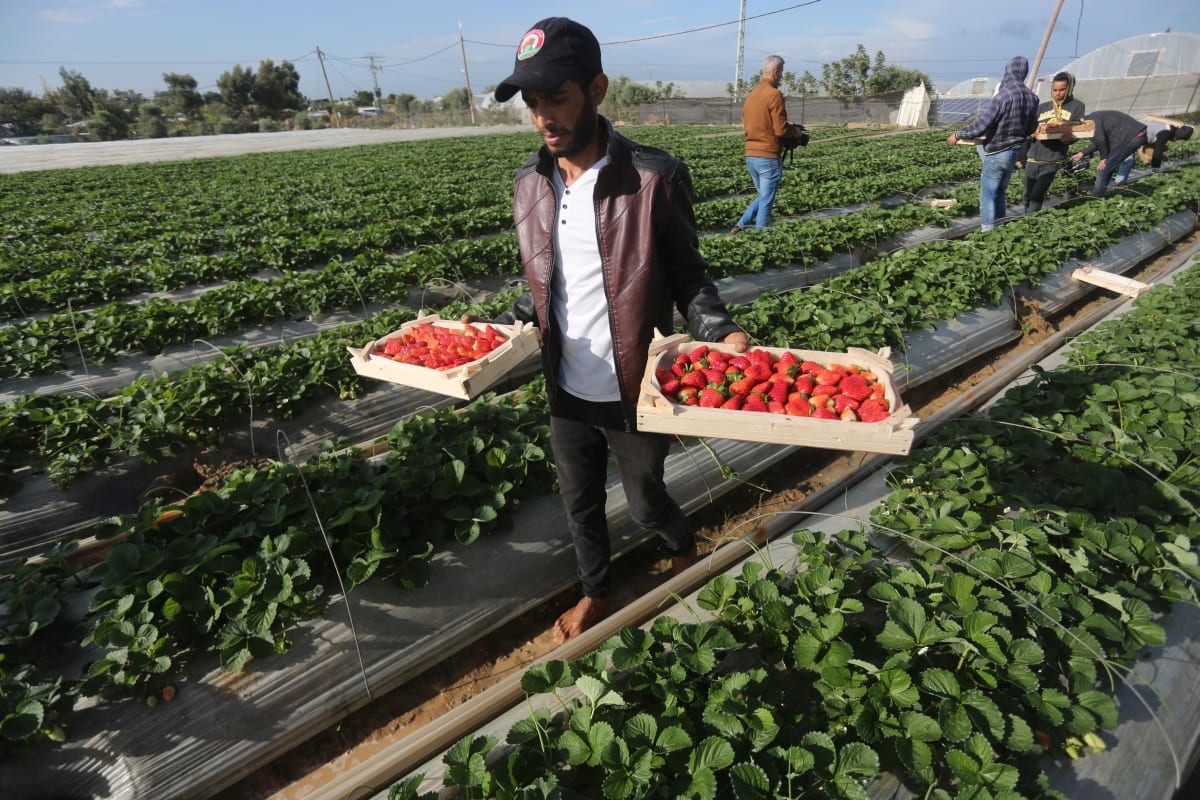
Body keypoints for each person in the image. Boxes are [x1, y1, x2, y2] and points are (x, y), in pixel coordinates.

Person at [480, 17, 750, 644]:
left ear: (597, 89)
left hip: (633, 385)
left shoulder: (653, 177)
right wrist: (499, 329)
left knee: (646, 497)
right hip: (567, 386)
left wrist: (720, 330)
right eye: (533, 103)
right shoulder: (530, 184)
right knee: (579, 504)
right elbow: (549, 284)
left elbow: (687, 276)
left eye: (557, 97)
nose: (544, 116)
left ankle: (684, 551)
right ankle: (595, 591)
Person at [946, 56, 1039, 231]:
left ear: (1008, 71)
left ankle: (988, 233)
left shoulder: (1002, 97)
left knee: (988, 195)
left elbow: (981, 126)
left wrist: (958, 133)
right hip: (1015, 152)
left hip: (998, 153)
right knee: (1000, 193)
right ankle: (1001, 228)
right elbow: (1031, 128)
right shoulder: (1032, 98)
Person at [731, 55, 794, 233]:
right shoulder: (774, 94)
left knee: (763, 196)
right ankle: (761, 237)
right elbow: (781, 130)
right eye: (781, 73)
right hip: (768, 156)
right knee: (766, 200)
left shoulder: (752, 95)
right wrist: (796, 132)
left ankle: (740, 225)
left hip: (751, 155)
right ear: (776, 72)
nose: (781, 77)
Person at [1020, 71, 1085, 213]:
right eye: (1055, 90)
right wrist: (1033, 133)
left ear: (1069, 89)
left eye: (1062, 90)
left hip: (1053, 159)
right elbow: (1029, 129)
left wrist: (1070, 138)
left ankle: (1030, 223)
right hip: (1033, 157)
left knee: (1037, 194)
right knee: (1027, 195)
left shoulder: (1077, 106)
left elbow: (1078, 131)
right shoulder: (1042, 107)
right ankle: (1026, 221)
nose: (1058, 93)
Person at [1068, 109, 1148, 196]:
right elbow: (1099, 141)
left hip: (1131, 137)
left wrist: (1104, 158)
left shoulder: (1092, 122)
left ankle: (1096, 197)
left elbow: (1101, 140)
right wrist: (1082, 153)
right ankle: (1102, 192)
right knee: (1109, 165)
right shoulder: (1092, 119)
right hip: (1132, 135)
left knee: (1103, 167)